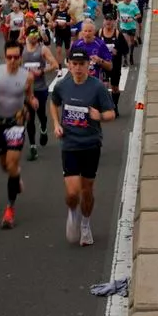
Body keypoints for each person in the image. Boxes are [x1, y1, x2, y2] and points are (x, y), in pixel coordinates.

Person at [49, 47, 116, 247]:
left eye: (82, 65)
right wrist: (56, 124)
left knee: (87, 191)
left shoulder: (97, 88)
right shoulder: (63, 85)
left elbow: (111, 114)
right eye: (74, 64)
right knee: (72, 193)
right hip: (70, 144)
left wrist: (100, 116)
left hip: (90, 144)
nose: (78, 69)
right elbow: (54, 103)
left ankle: (85, 224)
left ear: (89, 65)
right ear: (69, 65)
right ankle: (72, 213)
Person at [0, 44, 34, 229]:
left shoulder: (27, 76)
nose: (12, 60)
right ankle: (16, 177)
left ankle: (9, 209)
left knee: (11, 163)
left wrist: (30, 105)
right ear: (4, 57)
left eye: (15, 57)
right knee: (5, 166)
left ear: (20, 58)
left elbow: (29, 97)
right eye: (9, 57)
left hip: (16, 125)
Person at [19, 30, 58, 160]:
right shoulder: (22, 49)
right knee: (29, 117)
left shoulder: (43, 49)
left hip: (40, 88)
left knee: (41, 114)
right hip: (26, 90)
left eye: (36, 35)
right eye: (31, 35)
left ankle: (44, 128)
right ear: (27, 36)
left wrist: (41, 71)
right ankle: (33, 147)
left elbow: (54, 64)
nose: (34, 37)